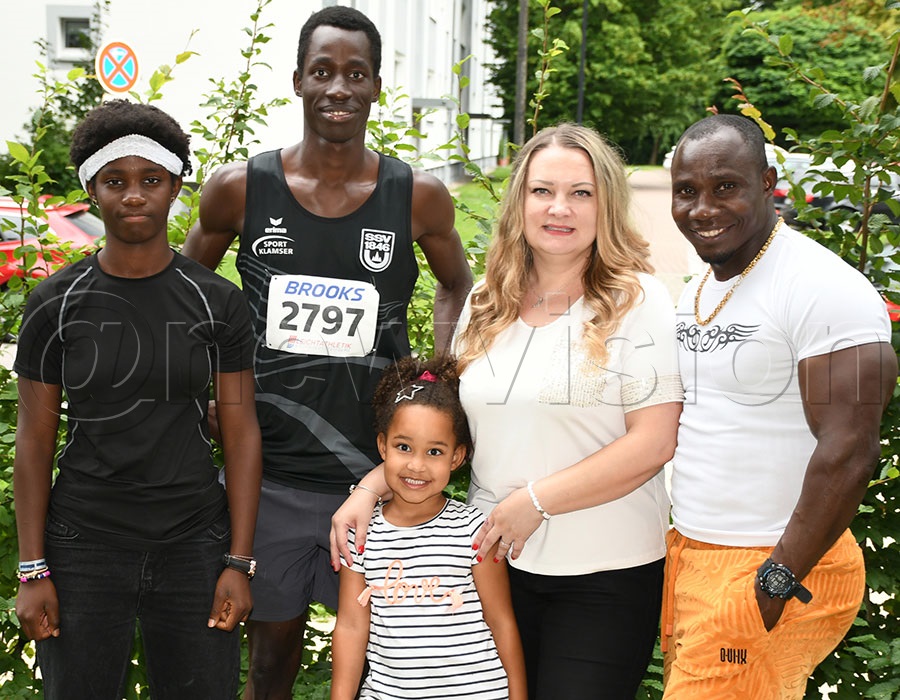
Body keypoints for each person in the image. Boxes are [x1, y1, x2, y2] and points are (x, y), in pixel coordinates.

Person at [332, 123, 685, 699]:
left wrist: (536, 503)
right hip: (489, 566)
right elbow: (447, 429)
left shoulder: (637, 302)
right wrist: (369, 490)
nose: (559, 209)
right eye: (542, 191)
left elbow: (653, 442)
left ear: (608, 205)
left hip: (603, 573)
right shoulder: (485, 303)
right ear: (519, 199)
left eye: (581, 193)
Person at [181, 6, 473, 697]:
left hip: (379, 478)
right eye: (322, 71)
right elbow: (184, 295)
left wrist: (438, 383)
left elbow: (458, 284)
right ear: (297, 81)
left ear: (376, 86)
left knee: (384, 657)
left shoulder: (417, 197)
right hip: (268, 477)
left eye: (354, 73)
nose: (338, 87)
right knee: (271, 659)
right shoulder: (240, 188)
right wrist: (200, 395)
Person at [12, 99, 262, 700]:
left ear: (176, 186)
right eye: (114, 181)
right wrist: (32, 567)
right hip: (83, 545)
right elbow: (34, 439)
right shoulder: (55, 302)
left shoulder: (216, 302)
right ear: (91, 190)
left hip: (194, 544)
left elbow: (242, 433)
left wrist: (238, 561)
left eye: (151, 180)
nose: (133, 196)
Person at [662, 113, 897, 698]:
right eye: (686, 191)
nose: (703, 208)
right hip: (696, 554)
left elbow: (849, 449)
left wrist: (779, 575)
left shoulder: (823, 288)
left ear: (768, 183)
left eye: (725, 187)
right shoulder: (704, 284)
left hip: (769, 562)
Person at [330, 356, 527, 700]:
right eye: (403, 447)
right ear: (382, 447)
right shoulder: (360, 534)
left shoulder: (475, 529)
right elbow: (350, 625)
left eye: (434, 451)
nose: (417, 465)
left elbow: (502, 621)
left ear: (456, 457)